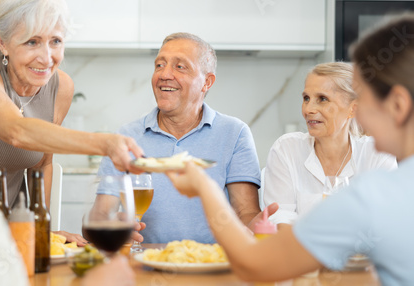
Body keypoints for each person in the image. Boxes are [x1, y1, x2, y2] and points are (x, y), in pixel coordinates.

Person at [165, 14, 414, 285]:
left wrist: (205, 188)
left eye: (365, 100)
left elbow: (256, 265)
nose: (361, 118)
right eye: (306, 98)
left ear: (398, 105)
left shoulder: (377, 194)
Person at [0, 0, 135, 286]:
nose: (46, 57)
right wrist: (103, 143)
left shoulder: (61, 87)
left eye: (55, 41)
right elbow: (16, 131)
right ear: (3, 43)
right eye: (32, 42)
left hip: (6, 231)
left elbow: (42, 163)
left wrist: (42, 232)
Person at [98, 32, 261, 244]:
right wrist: (110, 228)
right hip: (144, 266)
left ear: (207, 82)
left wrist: (256, 229)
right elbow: (99, 216)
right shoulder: (125, 138)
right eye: (159, 65)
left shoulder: (235, 133)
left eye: (180, 66)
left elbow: (245, 212)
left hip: (211, 265)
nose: (164, 74)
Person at [263, 62, 397, 224]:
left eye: (322, 99)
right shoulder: (286, 149)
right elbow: (279, 220)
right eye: (306, 98)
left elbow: (385, 221)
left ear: (353, 109)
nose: (308, 109)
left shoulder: (377, 154)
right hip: (297, 250)